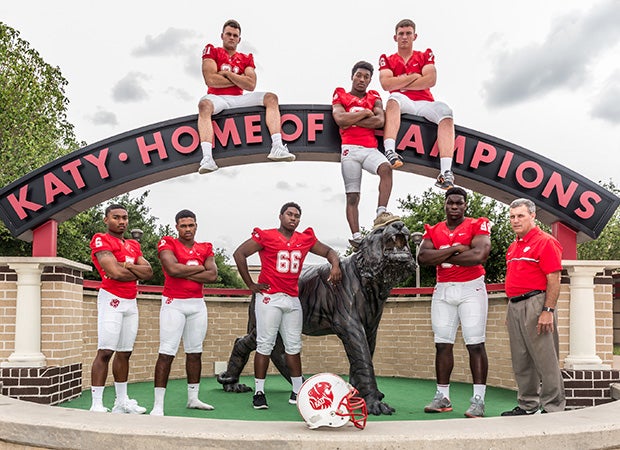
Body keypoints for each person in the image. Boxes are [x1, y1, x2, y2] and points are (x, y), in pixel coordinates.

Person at [233, 202, 342, 409]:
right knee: (265, 345)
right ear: (281, 216)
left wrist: (335, 265)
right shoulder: (266, 236)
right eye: (290, 214)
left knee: (294, 347)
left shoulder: (305, 238)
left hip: (292, 299)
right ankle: (259, 392)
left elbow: (329, 251)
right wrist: (250, 284)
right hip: (269, 297)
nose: (293, 218)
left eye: (297, 216)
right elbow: (239, 254)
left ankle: (297, 391)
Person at [417, 187, 491, 418]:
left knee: (475, 343)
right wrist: (457, 250)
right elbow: (422, 258)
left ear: (465, 205)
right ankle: (443, 396)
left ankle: (478, 399)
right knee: (442, 344)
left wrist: (441, 254)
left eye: (459, 203)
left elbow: (479, 255)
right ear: (445, 204)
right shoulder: (434, 229)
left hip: (472, 288)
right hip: (443, 290)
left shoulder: (476, 224)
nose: (455, 207)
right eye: (451, 203)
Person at [197, 19, 295, 174]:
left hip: (239, 99)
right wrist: (239, 80)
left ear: (239, 39)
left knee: (271, 98)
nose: (231, 37)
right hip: (217, 98)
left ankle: (277, 146)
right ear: (222, 36)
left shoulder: (246, 57)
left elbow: (251, 84)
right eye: (228, 34)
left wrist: (227, 74)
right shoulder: (212, 50)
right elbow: (210, 79)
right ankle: (207, 157)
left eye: (235, 35)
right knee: (204, 106)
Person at [150, 209, 219, 416]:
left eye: (191, 225)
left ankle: (193, 398)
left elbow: (213, 275)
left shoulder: (205, 247)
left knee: (195, 352)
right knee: (167, 352)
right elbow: (172, 269)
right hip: (174, 303)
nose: (187, 229)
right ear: (177, 227)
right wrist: (199, 268)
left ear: (196, 225)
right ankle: (158, 405)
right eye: (183, 225)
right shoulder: (168, 242)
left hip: (197, 304)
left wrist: (184, 270)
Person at [501, 198, 566, 416]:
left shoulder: (545, 242)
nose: (515, 220)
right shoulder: (513, 246)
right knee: (521, 359)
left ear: (532, 216)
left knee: (546, 359)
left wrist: (547, 311)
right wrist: (510, 310)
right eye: (512, 216)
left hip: (537, 304)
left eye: (520, 216)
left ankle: (553, 407)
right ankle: (527, 405)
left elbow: (554, 279)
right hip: (515, 305)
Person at [89, 204, 153, 413]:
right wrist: (133, 270)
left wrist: (127, 266)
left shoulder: (133, 244)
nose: (122, 221)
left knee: (125, 353)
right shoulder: (101, 238)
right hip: (112, 299)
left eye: (125, 217)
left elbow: (149, 272)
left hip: (130, 301)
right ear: (106, 220)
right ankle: (97, 403)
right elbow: (113, 272)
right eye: (116, 217)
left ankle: (121, 402)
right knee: (106, 351)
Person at [379, 18, 456, 190]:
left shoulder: (424, 55)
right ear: (395, 37)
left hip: (424, 101)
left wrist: (400, 80)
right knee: (392, 100)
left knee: (446, 113)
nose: (404, 37)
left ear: (415, 36)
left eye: (408, 33)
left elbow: (430, 80)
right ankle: (390, 150)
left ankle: (446, 172)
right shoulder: (387, 58)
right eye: (401, 34)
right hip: (403, 100)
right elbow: (386, 85)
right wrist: (415, 76)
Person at [332, 61, 400, 249]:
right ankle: (356, 235)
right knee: (353, 196)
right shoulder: (341, 93)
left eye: (366, 77)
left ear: (370, 80)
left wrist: (352, 119)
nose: (362, 79)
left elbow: (379, 121)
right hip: (350, 149)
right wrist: (365, 113)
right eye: (359, 75)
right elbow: (339, 119)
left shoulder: (374, 96)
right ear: (352, 76)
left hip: (369, 148)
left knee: (386, 168)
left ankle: (381, 212)